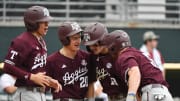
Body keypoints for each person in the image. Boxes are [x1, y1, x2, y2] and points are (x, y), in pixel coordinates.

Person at [0, 6, 61, 101]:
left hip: (39, 94)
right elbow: (7, 66)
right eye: (43, 22)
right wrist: (30, 77)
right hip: (26, 94)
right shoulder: (22, 41)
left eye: (47, 21)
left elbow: (36, 72)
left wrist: (48, 81)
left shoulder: (41, 41)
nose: (47, 24)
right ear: (33, 23)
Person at [102, 30, 174, 101]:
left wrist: (130, 97)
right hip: (162, 93)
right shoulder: (137, 53)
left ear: (113, 47)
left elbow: (134, 73)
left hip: (152, 93)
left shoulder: (124, 56)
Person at [46, 22, 96, 101]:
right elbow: (43, 87)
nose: (78, 41)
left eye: (79, 37)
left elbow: (90, 84)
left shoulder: (87, 57)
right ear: (65, 40)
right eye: (75, 38)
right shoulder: (51, 61)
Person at [82, 22, 127, 101]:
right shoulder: (93, 57)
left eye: (94, 44)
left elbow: (134, 75)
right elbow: (91, 82)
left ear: (103, 39)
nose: (92, 47)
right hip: (110, 97)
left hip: (128, 95)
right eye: (89, 44)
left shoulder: (117, 51)